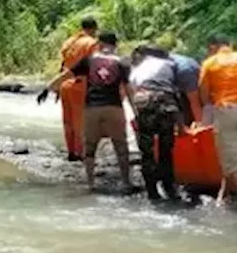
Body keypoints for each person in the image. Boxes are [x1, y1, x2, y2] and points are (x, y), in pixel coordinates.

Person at [198, 34, 237, 208]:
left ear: (212, 47)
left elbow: (204, 96)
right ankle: (222, 196)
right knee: (234, 157)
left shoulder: (210, 63)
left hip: (227, 109)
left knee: (232, 161)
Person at [67, 31, 132, 193]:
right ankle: (125, 182)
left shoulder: (89, 60)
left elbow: (68, 73)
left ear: (99, 44)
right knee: (121, 146)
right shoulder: (122, 62)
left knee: (90, 147)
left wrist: (48, 87)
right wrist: (136, 110)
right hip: (114, 107)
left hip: (92, 108)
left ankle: (91, 184)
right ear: (115, 45)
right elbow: (129, 90)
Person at [39, 16, 100, 160]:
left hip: (65, 84)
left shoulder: (69, 41)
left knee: (68, 120)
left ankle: (71, 151)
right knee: (81, 120)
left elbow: (63, 64)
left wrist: (56, 86)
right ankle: (81, 153)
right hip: (81, 84)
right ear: (94, 29)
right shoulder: (92, 43)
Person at [128, 44, 183, 201]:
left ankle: (152, 191)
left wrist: (137, 115)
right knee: (166, 150)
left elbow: (133, 89)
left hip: (144, 102)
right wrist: (180, 125)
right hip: (165, 102)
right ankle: (170, 188)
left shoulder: (139, 67)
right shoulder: (170, 64)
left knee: (147, 151)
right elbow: (175, 93)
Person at [168, 50, 203, 124]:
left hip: (185, 74)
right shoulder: (178, 59)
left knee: (194, 102)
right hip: (191, 72)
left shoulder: (181, 67)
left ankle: (201, 127)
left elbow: (194, 102)